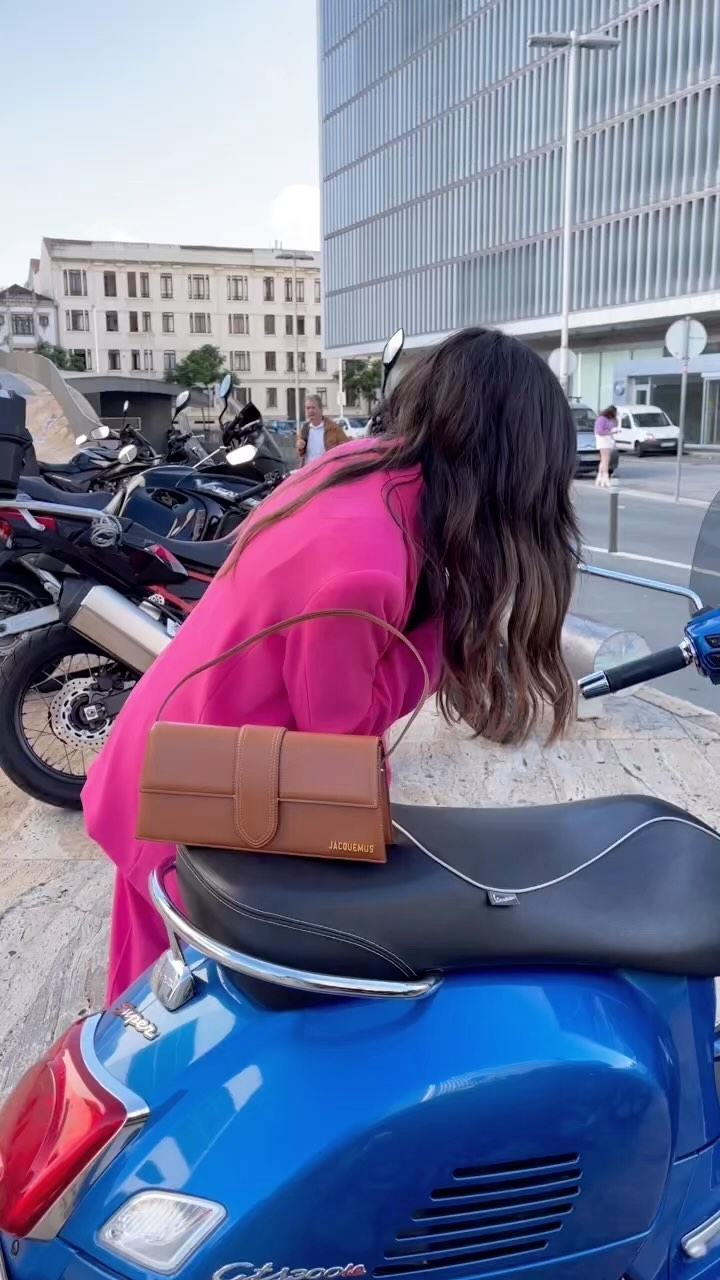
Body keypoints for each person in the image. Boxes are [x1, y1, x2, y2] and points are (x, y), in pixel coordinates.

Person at [82, 327, 580, 1002]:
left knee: (143, 1007)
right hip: (191, 809)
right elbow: (335, 754)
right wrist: (441, 640)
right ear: (514, 471)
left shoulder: (365, 467)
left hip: (175, 764)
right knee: (162, 1023)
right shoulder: (364, 570)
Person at [297, 395, 348, 465]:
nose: (310, 411)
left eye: (313, 407)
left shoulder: (333, 428)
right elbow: (300, 453)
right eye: (308, 408)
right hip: (309, 469)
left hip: (328, 469)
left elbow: (346, 449)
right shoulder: (304, 428)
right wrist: (300, 448)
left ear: (321, 409)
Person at [594, 405, 617, 487]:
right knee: (605, 460)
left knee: (603, 460)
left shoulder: (607, 419)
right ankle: (605, 478)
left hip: (607, 440)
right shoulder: (602, 419)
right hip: (603, 440)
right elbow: (599, 431)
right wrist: (611, 432)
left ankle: (600, 478)